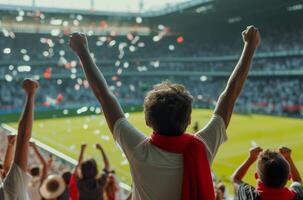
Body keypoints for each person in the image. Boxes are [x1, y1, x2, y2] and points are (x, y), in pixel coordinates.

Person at [69, 25, 260, 199]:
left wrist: (82, 51)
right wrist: (250, 46)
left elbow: (104, 95)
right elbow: (230, 94)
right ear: (188, 120)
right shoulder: (202, 147)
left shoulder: (139, 151)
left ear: (148, 121)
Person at [0, 78, 39, 200]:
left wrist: (11, 146)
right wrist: (30, 93)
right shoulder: (10, 191)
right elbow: (23, 137)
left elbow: (7, 169)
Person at [231, 146, 303, 200]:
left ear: (256, 176)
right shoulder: (298, 196)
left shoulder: (250, 196)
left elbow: (235, 179)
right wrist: (288, 158)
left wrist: (251, 159)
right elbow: (297, 181)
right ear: (289, 177)